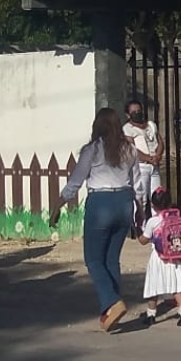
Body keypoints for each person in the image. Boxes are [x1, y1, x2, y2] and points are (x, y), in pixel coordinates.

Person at [59, 107, 142, 332]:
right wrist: (140, 209)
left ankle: (112, 302)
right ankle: (110, 310)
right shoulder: (130, 150)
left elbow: (76, 181)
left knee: (94, 260)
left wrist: (59, 204)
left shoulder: (92, 150)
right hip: (124, 202)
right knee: (111, 259)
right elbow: (137, 183)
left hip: (101, 203)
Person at [137, 187, 181, 327]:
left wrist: (138, 232)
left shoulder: (154, 221)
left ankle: (151, 314)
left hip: (159, 258)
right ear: (170, 203)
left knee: (154, 286)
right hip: (177, 256)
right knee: (175, 285)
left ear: (153, 205)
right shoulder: (180, 217)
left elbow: (143, 240)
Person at [123, 100, 163, 232]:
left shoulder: (151, 125)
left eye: (139, 110)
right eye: (133, 112)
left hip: (154, 166)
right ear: (128, 115)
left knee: (157, 197)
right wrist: (148, 159)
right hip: (141, 167)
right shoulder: (127, 129)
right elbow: (131, 148)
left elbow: (160, 141)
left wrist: (157, 155)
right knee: (142, 198)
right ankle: (141, 228)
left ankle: (157, 226)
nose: (137, 113)